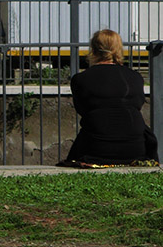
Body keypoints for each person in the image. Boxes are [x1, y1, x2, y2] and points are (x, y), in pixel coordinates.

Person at [63, 29, 159, 165]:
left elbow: (82, 110)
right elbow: (137, 105)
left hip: (97, 147)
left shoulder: (81, 79)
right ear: (119, 49)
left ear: (94, 49)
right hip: (135, 147)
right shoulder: (135, 78)